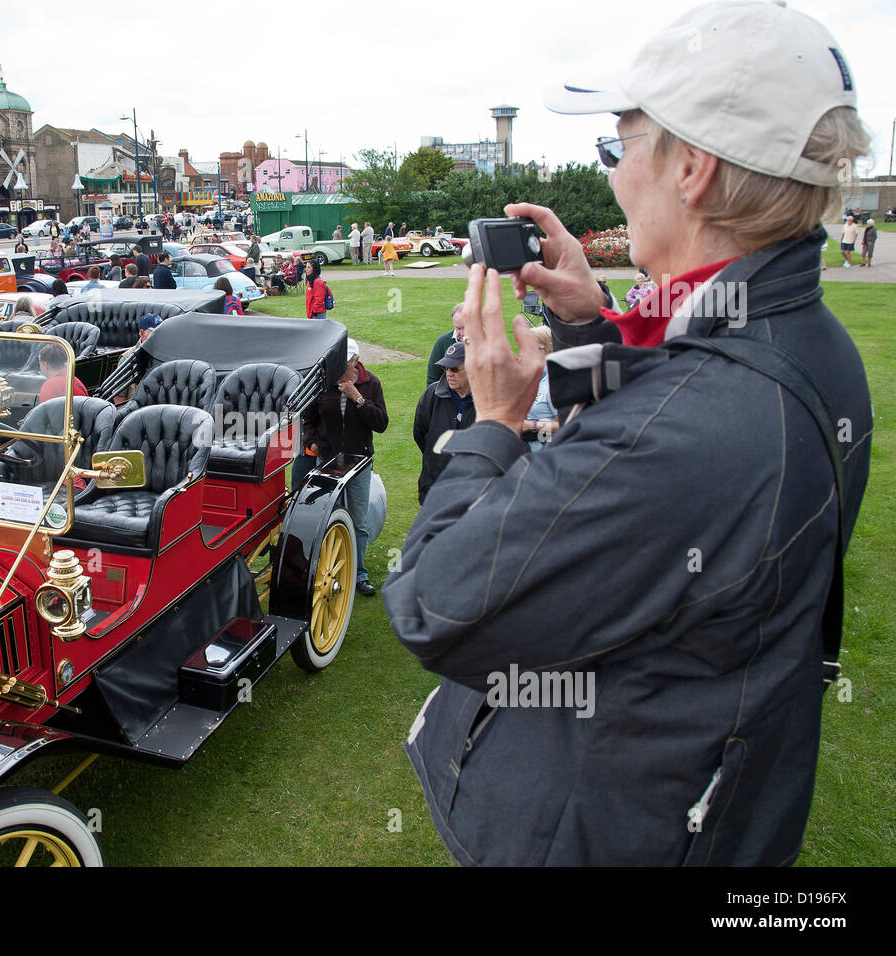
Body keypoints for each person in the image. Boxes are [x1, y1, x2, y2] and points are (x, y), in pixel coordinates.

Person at [385, 0, 873, 866]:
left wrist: (494, 423)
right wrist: (591, 328)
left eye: (618, 146)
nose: (611, 175)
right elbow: (687, 405)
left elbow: (434, 603)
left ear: (691, 169)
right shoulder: (810, 341)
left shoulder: (687, 430)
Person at [300, 338, 386, 596]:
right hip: (326, 463)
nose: (338, 370)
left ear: (355, 362)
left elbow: (381, 423)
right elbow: (309, 417)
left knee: (358, 522)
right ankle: (333, 572)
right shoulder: (323, 384)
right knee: (328, 520)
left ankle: (359, 575)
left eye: (343, 364)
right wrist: (312, 442)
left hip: (359, 464)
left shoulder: (371, 384)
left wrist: (357, 398)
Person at [413, 341, 475, 504]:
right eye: (446, 368)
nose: (449, 373)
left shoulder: (485, 398)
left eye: (454, 369)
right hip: (435, 483)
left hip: (472, 486)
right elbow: (420, 432)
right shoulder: (433, 394)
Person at [520, 324, 558, 451]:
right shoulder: (528, 377)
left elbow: (565, 425)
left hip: (545, 452)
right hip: (523, 448)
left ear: (547, 349)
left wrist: (532, 425)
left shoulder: (553, 382)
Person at [426, 303, 466, 386]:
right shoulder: (443, 342)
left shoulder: (491, 342)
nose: (462, 333)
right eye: (458, 328)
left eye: (466, 327)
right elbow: (433, 380)